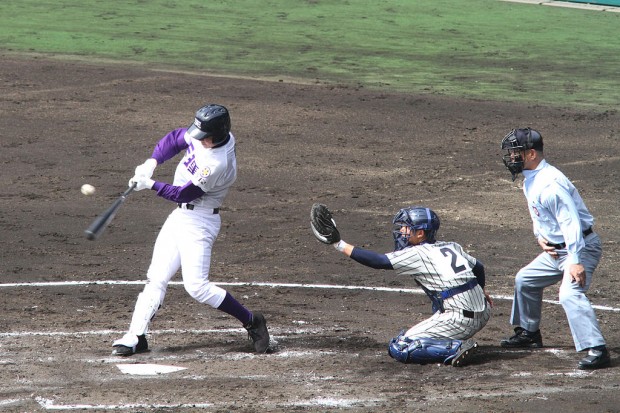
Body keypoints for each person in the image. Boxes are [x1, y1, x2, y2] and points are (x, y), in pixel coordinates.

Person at [111, 104, 270, 356]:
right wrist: (151, 162)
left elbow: (183, 193)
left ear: (217, 135)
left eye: (204, 137)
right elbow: (176, 138)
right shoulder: (207, 135)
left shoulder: (217, 163)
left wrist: (150, 184)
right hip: (180, 217)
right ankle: (136, 336)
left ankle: (252, 321)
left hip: (201, 223)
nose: (199, 140)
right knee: (157, 276)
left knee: (197, 287)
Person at [311, 204, 492, 367]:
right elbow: (479, 267)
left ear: (420, 233)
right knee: (439, 299)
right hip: (483, 312)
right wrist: (481, 292)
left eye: (407, 228)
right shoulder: (452, 246)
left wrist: (338, 244)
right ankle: (453, 334)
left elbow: (379, 261)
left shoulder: (418, 253)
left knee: (401, 346)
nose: (402, 232)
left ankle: (456, 348)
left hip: (461, 320)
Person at [499, 127, 609, 369]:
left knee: (569, 294)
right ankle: (529, 333)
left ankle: (597, 348)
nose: (512, 158)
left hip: (579, 247)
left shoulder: (550, 184)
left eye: (516, 153)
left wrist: (575, 260)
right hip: (556, 251)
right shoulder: (532, 178)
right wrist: (540, 235)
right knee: (525, 280)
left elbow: (571, 223)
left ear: (531, 154)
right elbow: (541, 216)